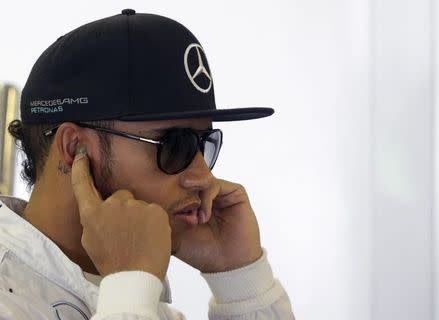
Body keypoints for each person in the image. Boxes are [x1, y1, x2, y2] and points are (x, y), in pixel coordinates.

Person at [0, 9, 294, 319]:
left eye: (204, 144)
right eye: (174, 146)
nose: (204, 178)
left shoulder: (142, 304)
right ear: (75, 148)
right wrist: (129, 291)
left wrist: (240, 283)